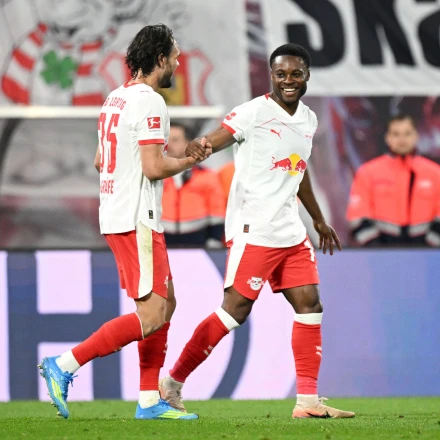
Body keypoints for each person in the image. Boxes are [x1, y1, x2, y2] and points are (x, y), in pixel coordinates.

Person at [159, 43, 355, 419]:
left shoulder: (309, 120)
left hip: (291, 231)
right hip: (255, 229)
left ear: (307, 76)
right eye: (281, 74)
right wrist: (200, 146)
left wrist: (317, 219)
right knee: (234, 312)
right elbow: (219, 136)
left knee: (310, 305)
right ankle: (172, 382)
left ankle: (307, 402)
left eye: (295, 74)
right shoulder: (253, 112)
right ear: (271, 76)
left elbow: (299, 170)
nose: (288, 81)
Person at [38, 24, 210, 421]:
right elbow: (153, 168)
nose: (178, 64)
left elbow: (100, 161)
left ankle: (149, 400)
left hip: (118, 213)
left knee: (166, 304)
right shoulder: (150, 102)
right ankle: (64, 364)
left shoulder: (114, 98)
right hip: (137, 217)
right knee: (152, 315)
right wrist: (189, 159)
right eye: (175, 57)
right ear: (160, 58)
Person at [346, 114, 440, 246]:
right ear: (387, 138)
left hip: (428, 253)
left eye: (407, 134)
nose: (402, 139)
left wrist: (428, 249)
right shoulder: (368, 173)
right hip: (379, 251)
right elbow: (357, 216)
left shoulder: (434, 173)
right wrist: (377, 249)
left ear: (415, 136)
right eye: (396, 134)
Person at [162, 122, 226, 248]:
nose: (169, 145)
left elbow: (217, 212)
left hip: (198, 242)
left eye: (175, 140)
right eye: (166, 141)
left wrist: (214, 239)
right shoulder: (154, 176)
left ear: (188, 143)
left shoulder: (207, 176)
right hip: (162, 242)